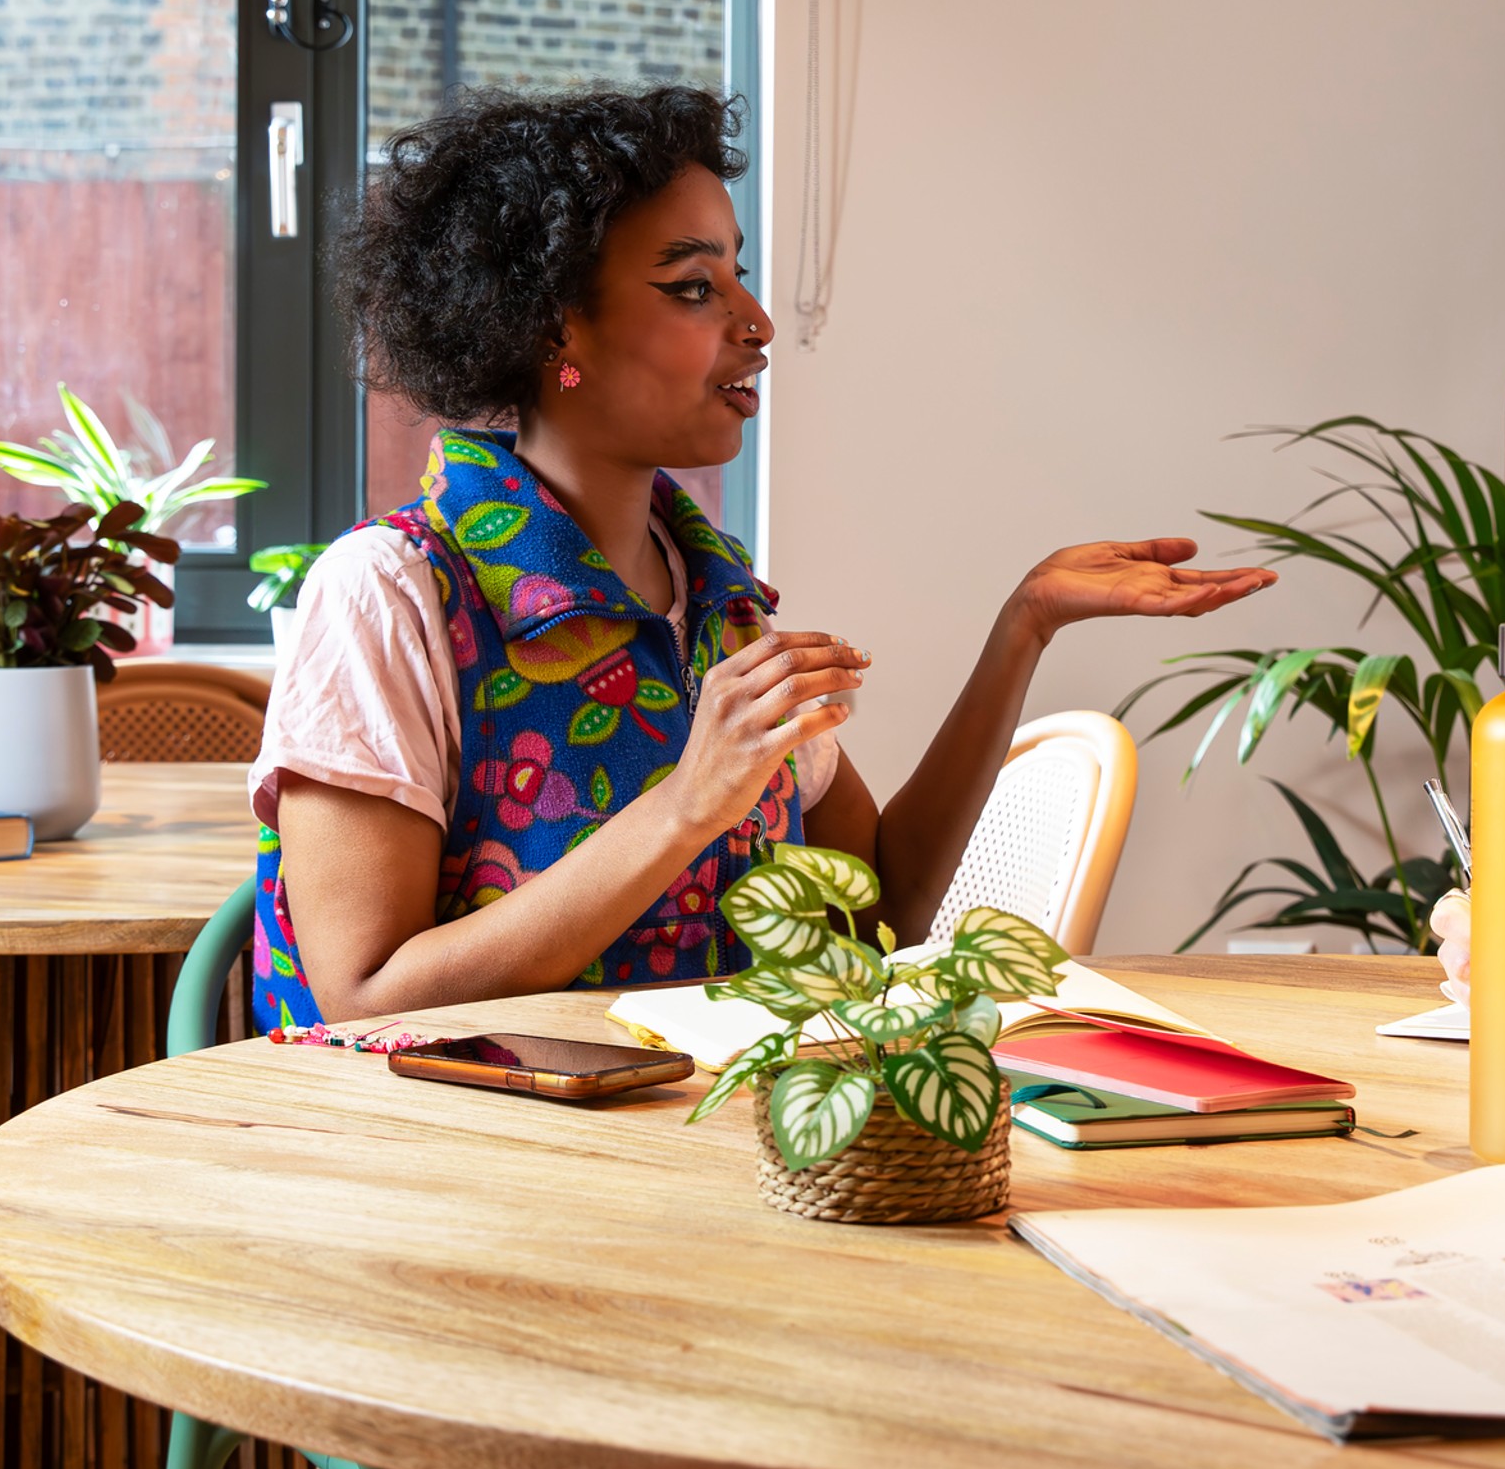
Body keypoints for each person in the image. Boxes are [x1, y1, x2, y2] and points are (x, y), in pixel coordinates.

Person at [251, 84, 1273, 1026]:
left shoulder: (718, 600)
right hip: (452, 1180)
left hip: (691, 1164)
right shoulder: (392, 595)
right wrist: (691, 801)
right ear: (556, 325)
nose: (758, 322)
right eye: (694, 286)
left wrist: (1024, 624)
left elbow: (890, 910)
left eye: (736, 274)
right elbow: (363, 995)